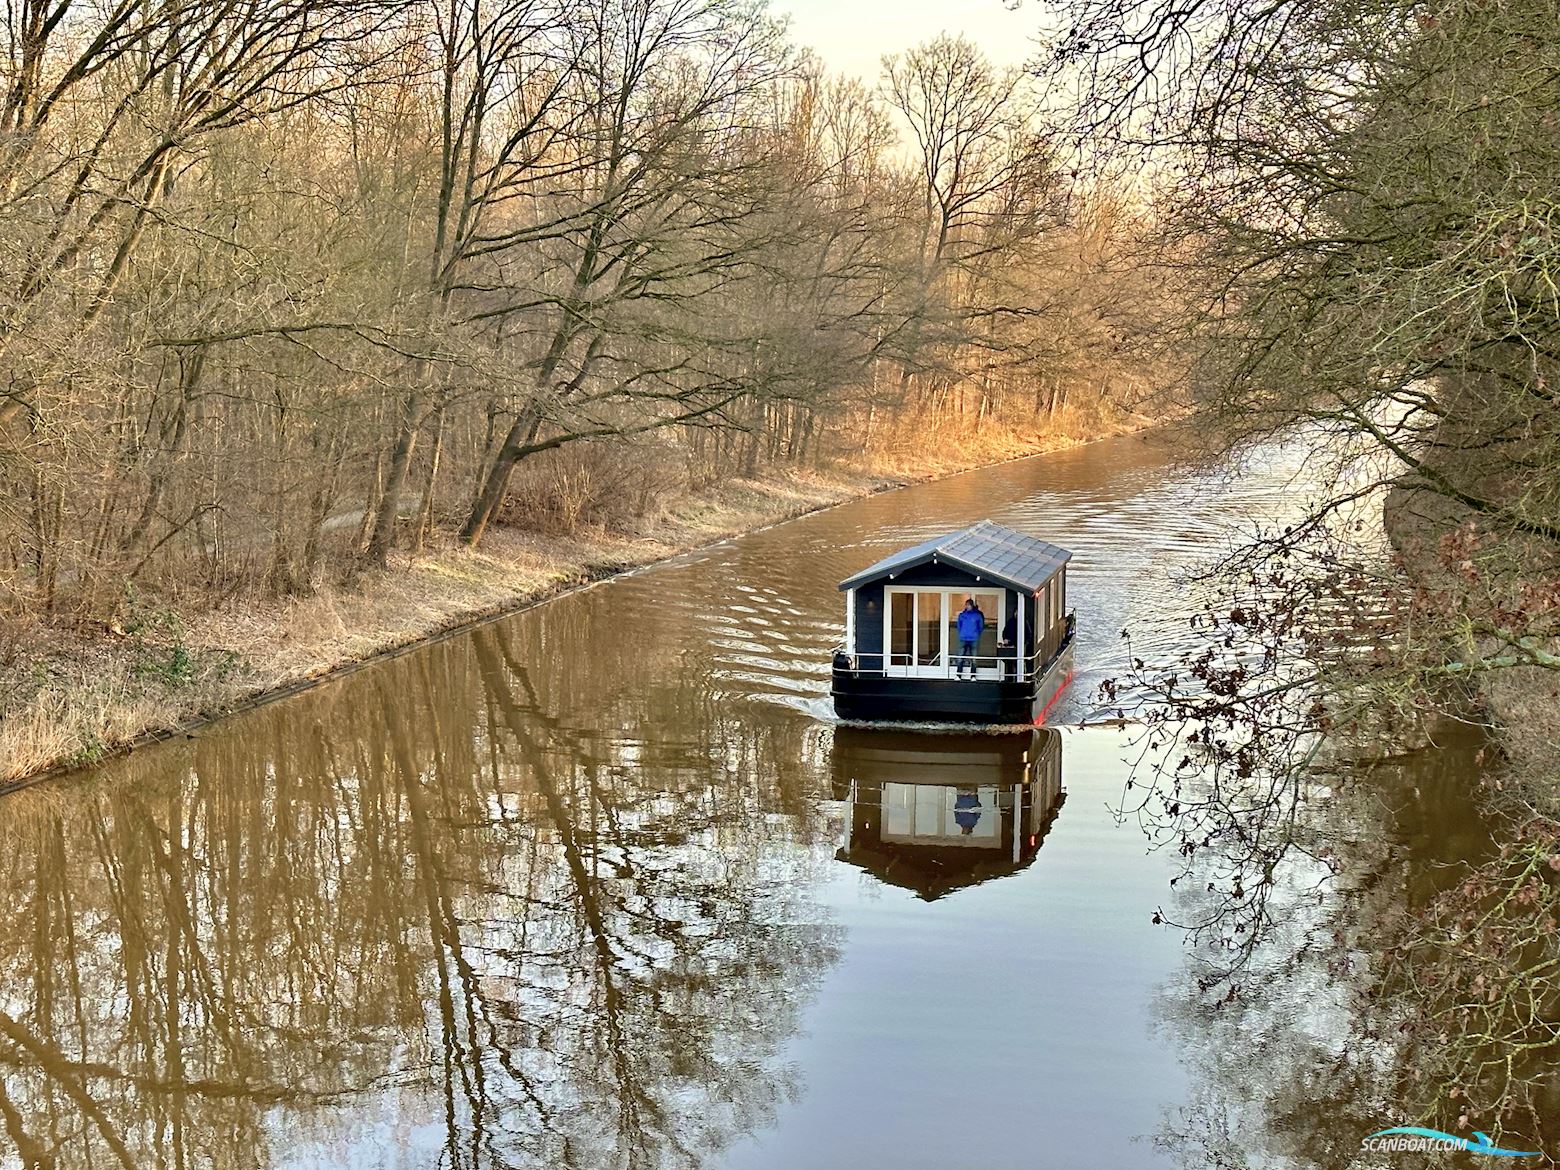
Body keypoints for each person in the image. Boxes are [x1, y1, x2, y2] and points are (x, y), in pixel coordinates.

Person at [955, 598, 985, 679]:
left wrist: (976, 634)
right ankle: (958, 675)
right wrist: (962, 633)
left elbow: (981, 627)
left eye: (969, 605)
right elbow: (958, 626)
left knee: (974, 659)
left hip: (973, 639)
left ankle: (973, 676)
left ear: (972, 606)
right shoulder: (962, 615)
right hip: (963, 638)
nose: (967, 606)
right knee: (960, 657)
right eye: (966, 605)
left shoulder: (977, 615)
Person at [1000, 608, 1018, 679]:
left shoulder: (1024, 623)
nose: (1016, 614)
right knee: (1009, 664)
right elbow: (1005, 631)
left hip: (1019, 647)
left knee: (1018, 664)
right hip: (1009, 647)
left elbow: (1028, 635)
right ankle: (1009, 679)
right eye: (1016, 612)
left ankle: (1018, 678)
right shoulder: (1010, 622)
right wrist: (1005, 639)